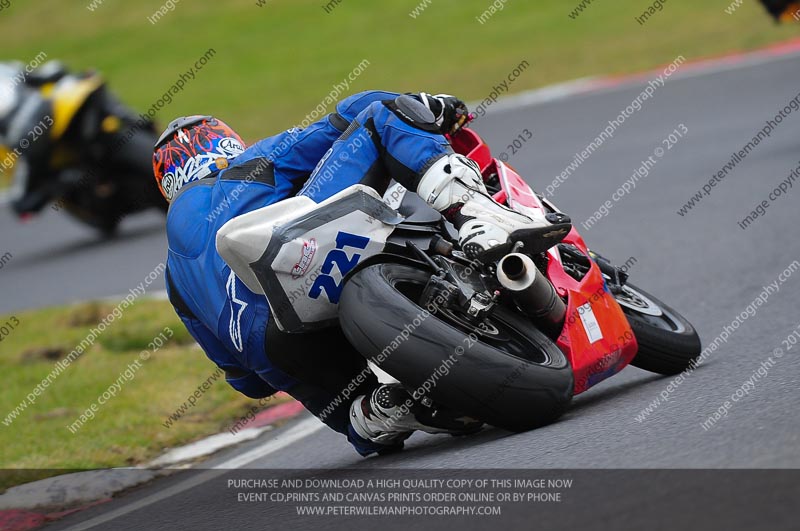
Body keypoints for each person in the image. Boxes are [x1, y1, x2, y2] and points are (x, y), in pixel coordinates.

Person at [154, 90, 570, 456]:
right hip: (303, 254)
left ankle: (374, 415)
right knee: (380, 115)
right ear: (224, 143)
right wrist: (425, 107)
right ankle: (474, 215)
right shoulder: (245, 167)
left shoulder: (175, 276)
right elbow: (352, 113)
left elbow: (248, 384)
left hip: (277, 345)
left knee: (339, 406)